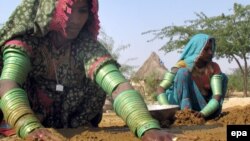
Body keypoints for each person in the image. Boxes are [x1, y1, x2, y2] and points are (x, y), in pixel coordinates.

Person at [0, 0, 174, 140]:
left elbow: (117, 85)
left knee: (101, 72)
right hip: (27, 118)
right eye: (69, 10)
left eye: (82, 10)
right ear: (50, 8)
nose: (75, 19)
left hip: (71, 122)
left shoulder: (85, 46)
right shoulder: (25, 42)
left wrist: (146, 126)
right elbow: (9, 82)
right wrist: (29, 127)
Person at [156, 33, 228, 119]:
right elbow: (161, 89)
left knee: (223, 78)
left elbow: (217, 95)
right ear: (196, 49)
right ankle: (185, 114)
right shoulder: (182, 65)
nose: (210, 52)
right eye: (206, 49)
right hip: (180, 107)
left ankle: (210, 115)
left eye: (211, 48)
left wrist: (203, 113)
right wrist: (167, 112)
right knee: (183, 73)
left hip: (202, 109)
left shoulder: (213, 67)